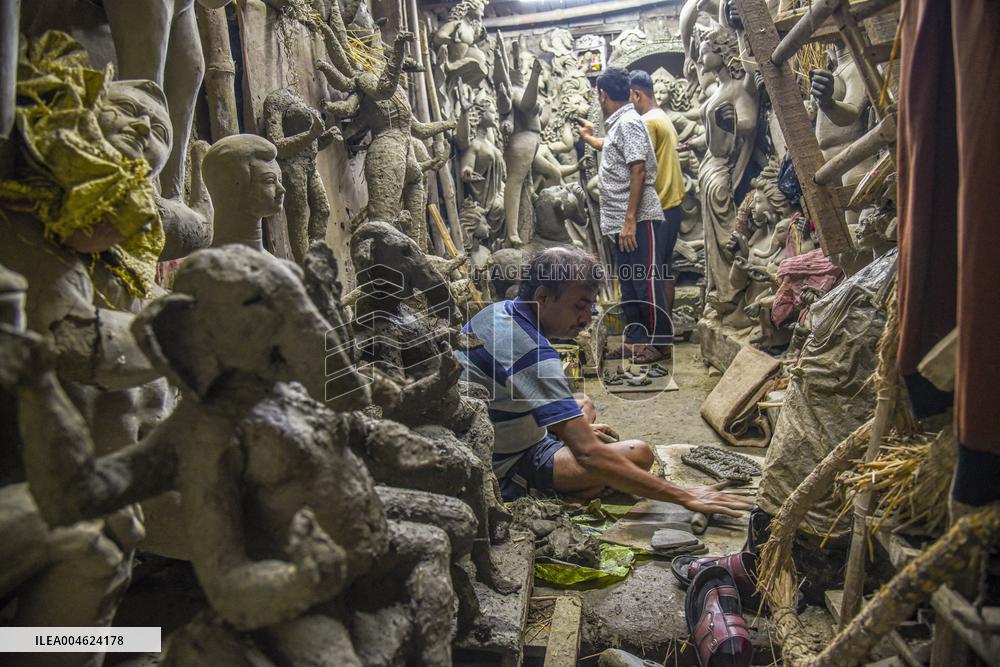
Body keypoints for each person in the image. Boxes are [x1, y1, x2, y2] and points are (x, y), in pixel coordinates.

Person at [456, 246, 752, 517]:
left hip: (509, 432)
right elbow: (588, 455)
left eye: (590, 307)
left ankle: (579, 465)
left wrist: (575, 434)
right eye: (579, 306)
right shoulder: (530, 352)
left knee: (583, 403)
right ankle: (543, 486)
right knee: (638, 454)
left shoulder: (500, 311)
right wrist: (685, 495)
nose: (587, 318)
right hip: (509, 464)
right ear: (543, 297)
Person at [577, 67, 671, 364]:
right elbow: (612, 147)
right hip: (623, 221)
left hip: (638, 219)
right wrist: (590, 139)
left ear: (603, 95)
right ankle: (635, 340)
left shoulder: (629, 122)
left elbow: (638, 169)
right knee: (629, 283)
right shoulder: (621, 124)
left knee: (646, 282)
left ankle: (659, 343)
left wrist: (630, 219)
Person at [629, 69, 685, 318]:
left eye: (629, 98)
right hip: (673, 206)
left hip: (657, 208)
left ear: (636, 94)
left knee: (650, 277)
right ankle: (665, 328)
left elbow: (639, 169)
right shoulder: (663, 117)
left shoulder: (647, 122)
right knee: (664, 270)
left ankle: (656, 331)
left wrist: (630, 215)